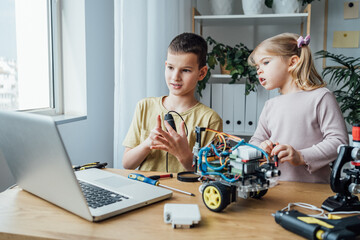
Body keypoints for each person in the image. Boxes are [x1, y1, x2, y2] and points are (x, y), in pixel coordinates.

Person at [247, 33, 348, 183]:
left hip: (313, 190)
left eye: (266, 62)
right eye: (257, 66)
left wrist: (301, 156)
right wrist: (262, 147)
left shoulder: (320, 97)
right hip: (276, 189)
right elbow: (255, 140)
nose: (259, 70)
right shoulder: (270, 105)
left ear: (293, 62)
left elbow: (338, 142)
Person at [122, 32, 223, 173]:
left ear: (201, 73)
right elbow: (127, 164)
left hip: (187, 194)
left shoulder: (210, 119)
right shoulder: (144, 106)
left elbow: (211, 174)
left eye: (185, 70)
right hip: (148, 190)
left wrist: (184, 155)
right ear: (165, 65)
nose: (175, 77)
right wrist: (147, 144)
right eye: (170, 67)